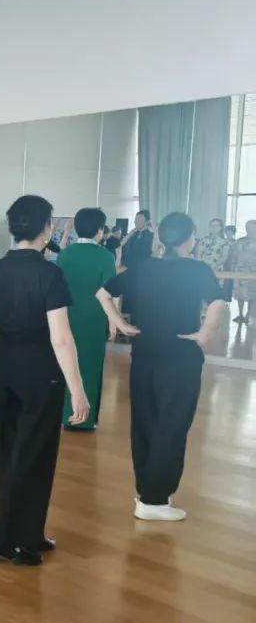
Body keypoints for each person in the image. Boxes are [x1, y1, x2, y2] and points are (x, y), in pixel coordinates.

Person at [0, 195, 89, 566]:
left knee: (11, 453)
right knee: (35, 458)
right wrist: (78, 390)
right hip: (41, 377)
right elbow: (61, 338)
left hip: (4, 373)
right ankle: (8, 541)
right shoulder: (49, 274)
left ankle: (28, 534)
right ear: (46, 228)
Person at [96, 213, 227, 521]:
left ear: (161, 238)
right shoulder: (197, 269)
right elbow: (218, 302)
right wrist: (204, 335)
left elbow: (103, 293)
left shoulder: (144, 267)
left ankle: (147, 493)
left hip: (144, 356)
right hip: (180, 358)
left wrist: (119, 324)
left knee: (145, 423)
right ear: (189, 239)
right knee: (172, 425)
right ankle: (155, 501)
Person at [56, 208, 117, 431]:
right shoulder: (105, 256)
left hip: (66, 317)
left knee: (66, 365)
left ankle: (67, 415)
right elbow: (111, 293)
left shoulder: (65, 254)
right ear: (100, 230)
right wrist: (113, 322)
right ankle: (87, 419)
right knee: (90, 367)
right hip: (94, 320)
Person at [228, 220, 256, 324]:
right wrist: (232, 267)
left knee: (253, 294)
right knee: (240, 293)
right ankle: (240, 314)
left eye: (251, 227)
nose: (249, 229)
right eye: (247, 227)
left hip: (253, 271)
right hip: (239, 270)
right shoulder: (240, 241)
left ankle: (248, 314)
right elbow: (233, 255)